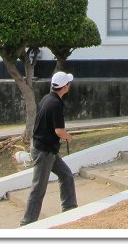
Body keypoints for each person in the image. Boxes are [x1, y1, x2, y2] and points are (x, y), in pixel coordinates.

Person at [19, 71, 78, 226]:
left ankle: (70, 208)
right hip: (44, 151)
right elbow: (58, 130)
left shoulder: (47, 98)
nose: (69, 86)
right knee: (38, 188)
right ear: (65, 87)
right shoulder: (56, 104)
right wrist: (69, 137)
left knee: (66, 175)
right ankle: (27, 223)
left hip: (46, 149)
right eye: (68, 83)